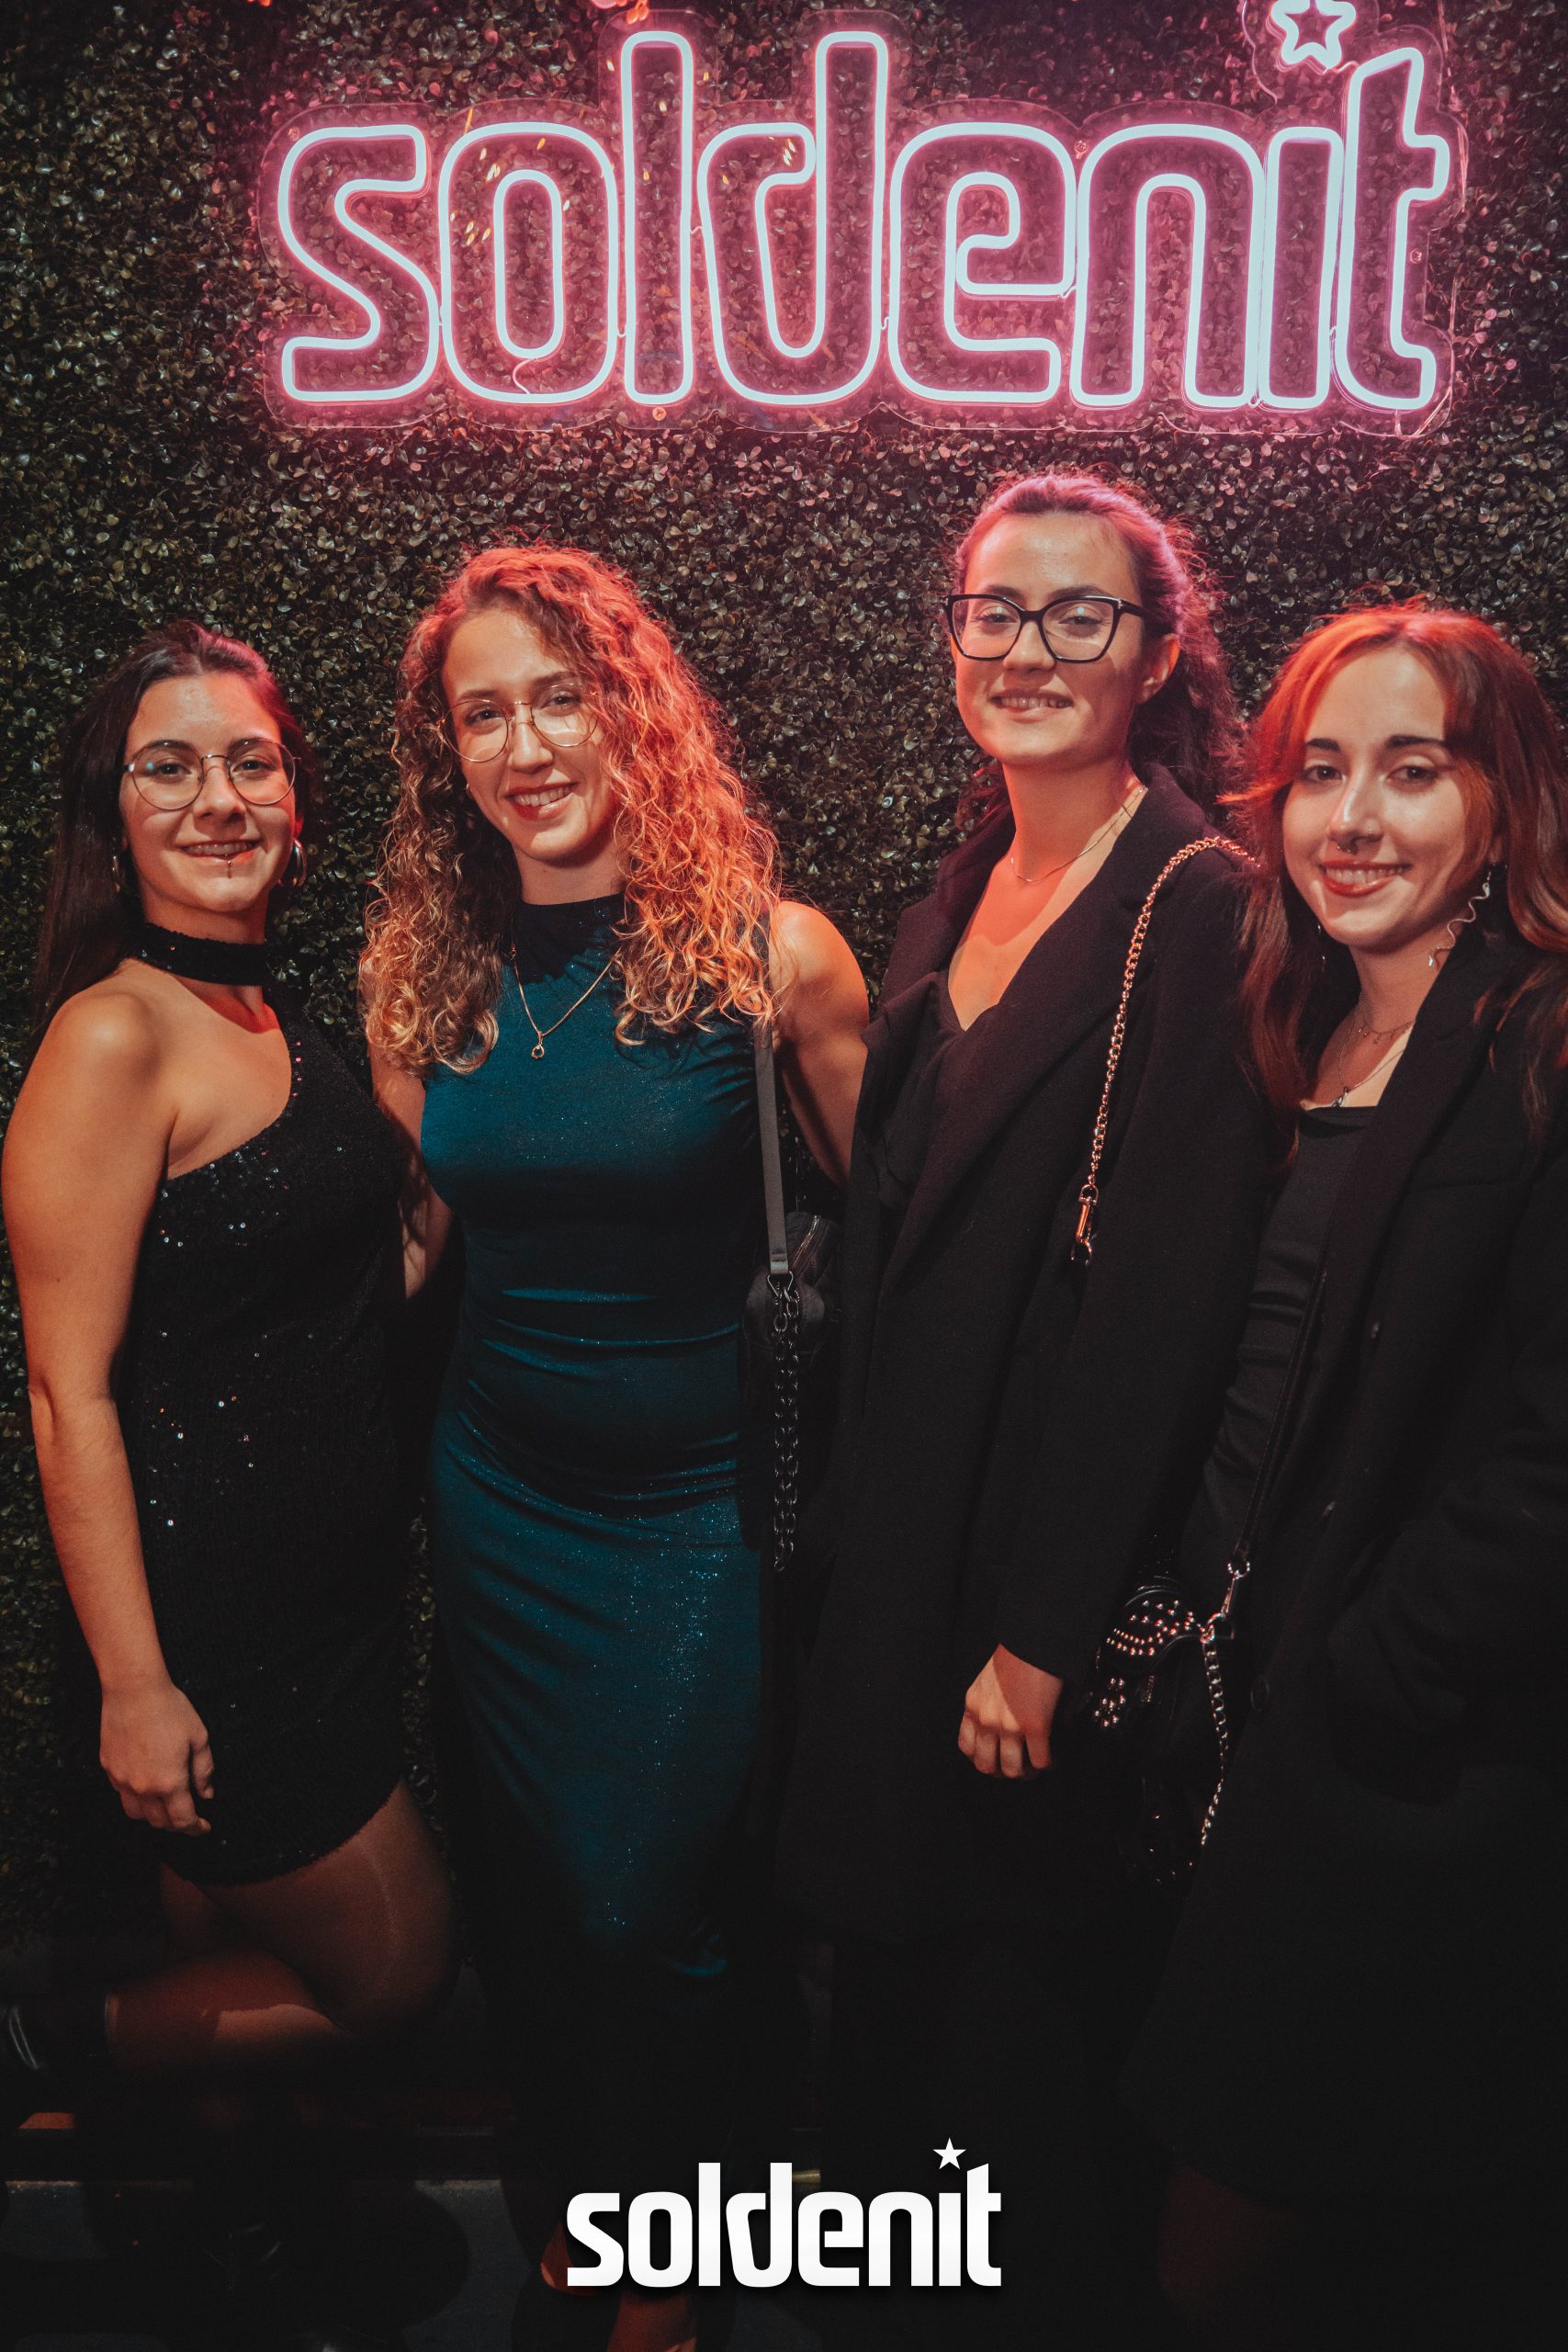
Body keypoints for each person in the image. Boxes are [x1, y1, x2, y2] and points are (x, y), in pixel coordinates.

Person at [776, 471, 1273, 2349]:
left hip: (1016, 1594)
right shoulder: (960, 884)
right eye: (994, 611)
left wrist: (1048, 1631)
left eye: (1079, 614)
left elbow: (1162, 1308)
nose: (1027, 650)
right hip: (896, 1561)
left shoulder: (1198, 900)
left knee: (1014, 2084)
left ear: (1156, 652)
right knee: (893, 2056)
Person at [361, 543, 867, 2352]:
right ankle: (579, 2206)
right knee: (539, 1903)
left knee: (647, 1900)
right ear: (450, 757)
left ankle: (678, 2248)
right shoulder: (423, 976)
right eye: (482, 715)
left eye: (558, 698)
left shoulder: (770, 958)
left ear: (631, 710)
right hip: (501, 1499)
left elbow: (896, 1233)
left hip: (696, 1515)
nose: (525, 746)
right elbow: (417, 1245)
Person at [0, 623, 457, 2336]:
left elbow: (358, 1285)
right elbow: (68, 1393)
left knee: (224, 1959)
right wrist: (134, 1683)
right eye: (168, 766)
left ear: (297, 802)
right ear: (112, 815)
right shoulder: (115, 1037)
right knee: (395, 1971)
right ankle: (46, 2041)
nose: (216, 797)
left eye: (249, 761)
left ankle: (228, 2247)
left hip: (327, 1610)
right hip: (213, 1629)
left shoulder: (272, 1010)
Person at [1122, 605, 1568, 2351]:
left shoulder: (1543, 1046)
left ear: (1506, 802)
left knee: (1235, 2254)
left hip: (1403, 1772)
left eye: (1413, 770)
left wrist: (1365, 1678)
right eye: (1319, 772)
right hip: (1247, 1733)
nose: (1355, 819)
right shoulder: (1301, 1026)